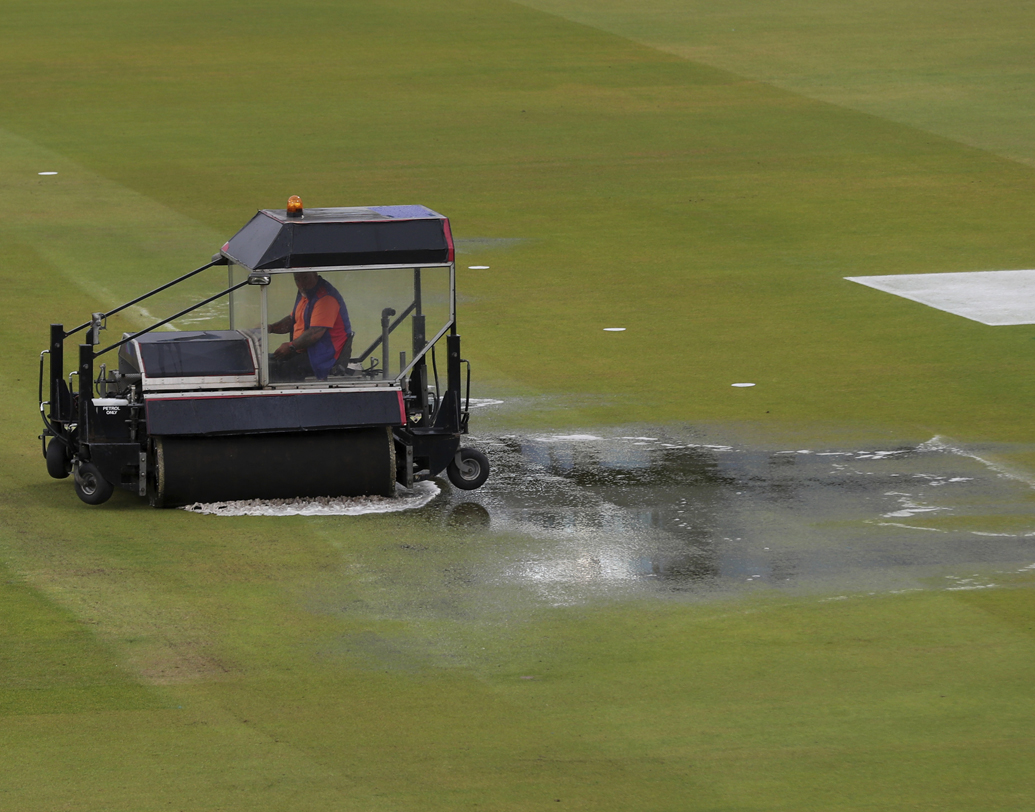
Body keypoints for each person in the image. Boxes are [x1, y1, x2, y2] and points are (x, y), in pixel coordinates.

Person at [268, 272, 352, 381]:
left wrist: (291, 346)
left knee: (282, 370)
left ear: (315, 274)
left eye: (305, 278)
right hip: (306, 351)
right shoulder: (306, 293)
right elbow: (292, 319)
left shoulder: (326, 298)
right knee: (269, 363)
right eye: (297, 280)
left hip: (325, 356)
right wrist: (270, 328)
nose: (301, 284)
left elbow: (315, 333)